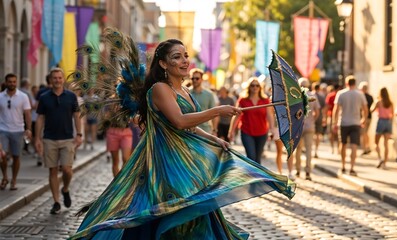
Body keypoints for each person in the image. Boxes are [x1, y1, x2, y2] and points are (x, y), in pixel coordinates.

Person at [70, 39, 294, 239]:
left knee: (195, 212)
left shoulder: (184, 90)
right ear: (163, 64)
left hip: (188, 163)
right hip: (167, 164)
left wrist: (212, 138)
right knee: (175, 215)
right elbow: (179, 121)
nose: (185, 60)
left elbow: (191, 126)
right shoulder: (160, 89)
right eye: (177, 57)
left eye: (186, 55)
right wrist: (216, 111)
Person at [35, 68, 83, 214]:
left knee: (67, 170)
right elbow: (40, 118)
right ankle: (56, 202)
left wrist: (79, 134)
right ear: (50, 80)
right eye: (54, 78)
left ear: (63, 79)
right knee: (53, 170)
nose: (57, 80)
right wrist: (37, 138)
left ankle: (65, 189)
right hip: (49, 138)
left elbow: (76, 115)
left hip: (67, 138)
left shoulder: (71, 96)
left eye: (59, 78)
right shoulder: (44, 97)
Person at [228, 77, 275, 165]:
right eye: (252, 85)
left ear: (260, 87)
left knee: (257, 158)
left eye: (257, 85)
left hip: (262, 132)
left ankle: (257, 177)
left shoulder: (265, 100)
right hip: (247, 131)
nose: (255, 87)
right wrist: (231, 131)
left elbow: (269, 115)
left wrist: (272, 129)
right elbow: (237, 116)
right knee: (251, 156)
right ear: (249, 87)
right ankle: (251, 176)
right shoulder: (243, 100)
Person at [0, 74, 32, 191]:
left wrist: (28, 129)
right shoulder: (1, 96)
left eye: (14, 82)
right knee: (2, 155)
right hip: (3, 130)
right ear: (6, 82)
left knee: (16, 156)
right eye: (10, 82)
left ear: (16, 82)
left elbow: (27, 114)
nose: (12, 84)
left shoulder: (23, 96)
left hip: (18, 130)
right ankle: (4, 177)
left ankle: (14, 180)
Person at [333, 76, 367, 176]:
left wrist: (334, 123)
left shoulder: (341, 93)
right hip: (356, 123)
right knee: (354, 146)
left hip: (343, 123)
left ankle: (343, 166)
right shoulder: (360, 94)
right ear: (355, 83)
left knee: (343, 145)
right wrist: (363, 119)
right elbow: (365, 109)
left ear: (346, 83)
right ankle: (352, 168)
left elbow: (336, 109)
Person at [294, 78, 320, 181]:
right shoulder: (313, 95)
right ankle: (308, 172)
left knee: (298, 149)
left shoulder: (296, 96)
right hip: (310, 126)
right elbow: (317, 111)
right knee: (309, 150)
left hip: (298, 126)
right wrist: (312, 119)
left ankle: (298, 170)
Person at [189, 68, 218, 133]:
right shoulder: (186, 93)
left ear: (202, 79)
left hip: (205, 130)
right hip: (189, 131)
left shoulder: (209, 94)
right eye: (192, 78)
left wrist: (215, 130)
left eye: (197, 78)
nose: (194, 80)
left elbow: (214, 113)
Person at [372, 87, 394, 169]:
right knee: (386, 144)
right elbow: (392, 115)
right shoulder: (390, 103)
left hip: (381, 121)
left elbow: (372, 110)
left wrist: (375, 102)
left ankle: (380, 158)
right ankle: (385, 162)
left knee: (376, 143)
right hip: (388, 122)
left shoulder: (379, 102)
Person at [312, 82, 326, 158]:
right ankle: (316, 150)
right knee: (318, 134)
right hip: (319, 116)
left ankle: (311, 148)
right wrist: (324, 118)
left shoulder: (310, 95)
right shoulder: (322, 96)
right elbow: (324, 108)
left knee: (312, 134)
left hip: (311, 117)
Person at [359, 82, 374, 155]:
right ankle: (367, 147)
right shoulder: (370, 97)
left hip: (363, 117)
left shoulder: (361, 96)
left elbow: (363, 108)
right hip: (369, 117)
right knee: (366, 133)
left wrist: (363, 118)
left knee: (363, 133)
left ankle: (365, 148)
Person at [325, 85, 339, 153]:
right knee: (338, 134)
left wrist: (325, 117)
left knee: (331, 133)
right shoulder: (340, 95)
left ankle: (332, 148)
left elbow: (327, 107)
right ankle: (338, 148)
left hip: (331, 116)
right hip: (339, 117)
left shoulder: (330, 96)